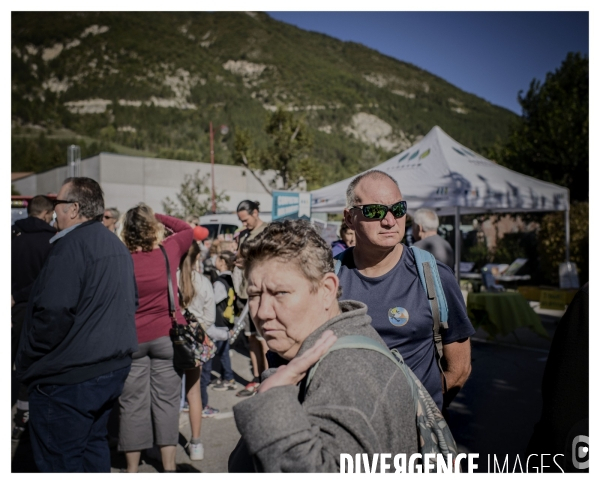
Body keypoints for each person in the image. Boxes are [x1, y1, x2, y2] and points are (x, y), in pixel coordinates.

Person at [228, 220, 417, 472]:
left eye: (280, 293)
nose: (262, 312)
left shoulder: (348, 372)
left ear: (327, 289)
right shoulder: (333, 348)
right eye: (254, 295)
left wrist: (271, 400)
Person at [15, 177, 138, 472]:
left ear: (73, 208)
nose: (54, 211)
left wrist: (29, 356)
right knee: (92, 449)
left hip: (71, 378)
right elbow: (130, 303)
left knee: (62, 461)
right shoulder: (114, 245)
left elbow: (53, 314)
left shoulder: (70, 246)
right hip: (106, 370)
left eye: (57, 203)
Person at [338, 170, 474, 411]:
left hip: (415, 438)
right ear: (349, 219)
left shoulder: (435, 276)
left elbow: (460, 369)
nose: (390, 220)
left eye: (398, 209)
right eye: (375, 211)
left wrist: (424, 415)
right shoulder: (328, 278)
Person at [118, 204, 193, 473]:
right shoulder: (167, 251)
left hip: (132, 339)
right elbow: (187, 229)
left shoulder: (121, 258)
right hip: (166, 336)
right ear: (152, 227)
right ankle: (169, 468)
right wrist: (157, 215)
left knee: (132, 405)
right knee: (167, 403)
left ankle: (132, 470)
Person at [11, 195, 56, 441]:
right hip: (39, 310)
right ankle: (26, 419)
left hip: (12, 309)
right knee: (34, 367)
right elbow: (48, 280)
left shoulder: (11, 237)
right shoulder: (52, 241)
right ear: (47, 213)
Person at [235, 200, 269, 397]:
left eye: (245, 219)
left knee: (263, 338)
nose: (243, 223)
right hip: (243, 291)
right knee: (251, 339)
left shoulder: (268, 231)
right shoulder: (243, 234)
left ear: (255, 212)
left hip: (261, 292)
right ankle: (256, 378)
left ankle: (267, 378)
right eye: (240, 220)